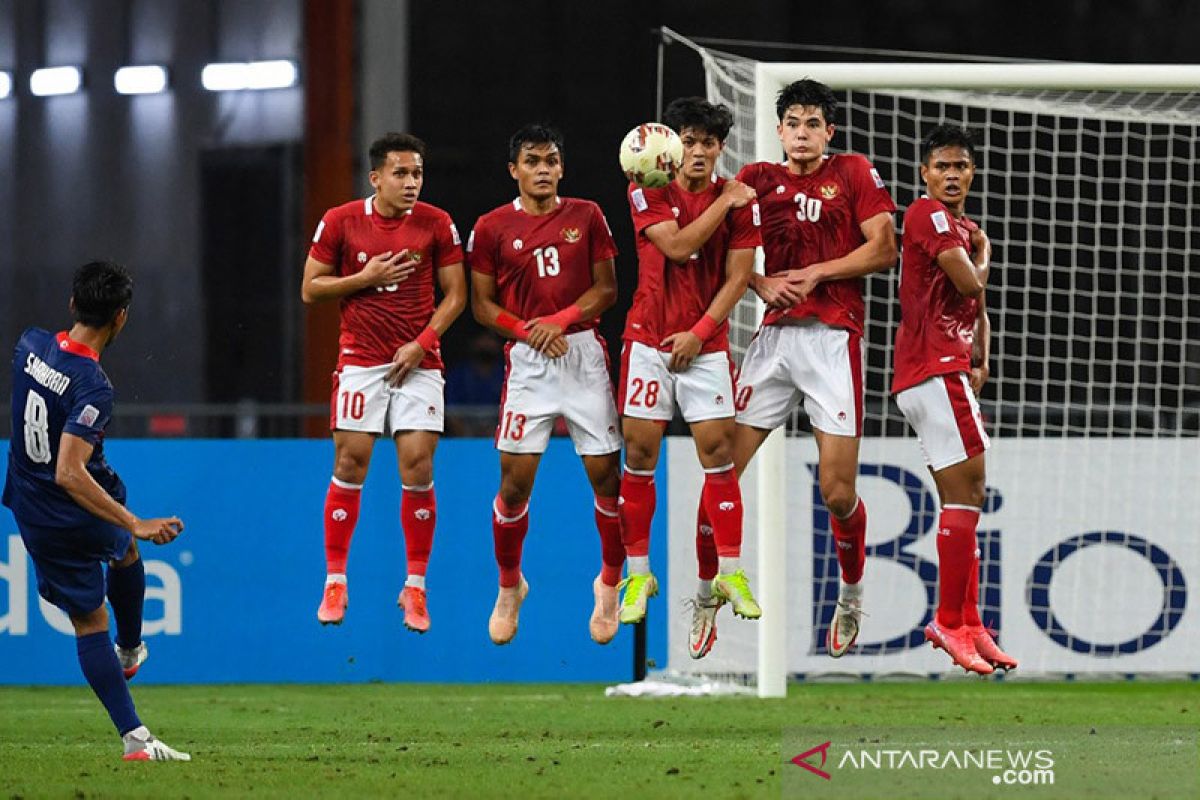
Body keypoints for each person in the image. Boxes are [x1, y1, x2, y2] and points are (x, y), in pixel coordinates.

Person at [690, 79, 898, 659]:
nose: (802, 133)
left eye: (813, 124)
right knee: (720, 468)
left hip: (834, 341)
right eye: (793, 124)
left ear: (828, 132)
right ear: (779, 131)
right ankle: (706, 594)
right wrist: (756, 280)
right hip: (774, 341)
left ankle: (851, 594)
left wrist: (818, 273)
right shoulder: (755, 180)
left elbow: (884, 248)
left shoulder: (854, 171)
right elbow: (701, 245)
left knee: (836, 493)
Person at [2, 261, 190, 761]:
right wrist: (136, 520)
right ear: (121, 318)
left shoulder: (28, 345)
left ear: (72, 303)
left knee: (122, 551)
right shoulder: (93, 385)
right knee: (91, 618)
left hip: (27, 497)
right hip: (61, 506)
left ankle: (130, 651)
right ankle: (135, 739)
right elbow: (68, 471)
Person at [302, 132, 467, 632]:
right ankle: (335, 580)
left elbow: (456, 295)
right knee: (350, 461)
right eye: (401, 173)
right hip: (361, 360)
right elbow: (311, 288)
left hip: (418, 361)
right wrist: (364, 278)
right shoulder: (341, 221)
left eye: (417, 173)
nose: (411, 182)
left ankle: (415, 587)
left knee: (417, 465)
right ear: (376, 177)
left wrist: (422, 342)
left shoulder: (437, 223)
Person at [468, 123, 625, 645]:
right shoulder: (491, 227)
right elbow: (482, 305)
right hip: (529, 360)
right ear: (514, 169)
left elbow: (607, 290)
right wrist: (530, 331)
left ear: (562, 166)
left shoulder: (588, 215)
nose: (543, 170)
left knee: (607, 480)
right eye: (532, 161)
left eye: (551, 161)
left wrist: (559, 321)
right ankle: (510, 586)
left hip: (581, 353)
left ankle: (608, 581)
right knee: (513, 487)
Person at [617, 98, 762, 630]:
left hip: (706, 346)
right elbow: (677, 248)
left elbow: (739, 276)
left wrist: (700, 334)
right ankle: (637, 573)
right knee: (639, 449)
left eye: (709, 142)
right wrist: (724, 203)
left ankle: (729, 570)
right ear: (674, 145)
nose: (699, 151)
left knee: (718, 451)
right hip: (648, 341)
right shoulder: (646, 187)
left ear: (721, 147)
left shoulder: (744, 203)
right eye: (690, 141)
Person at [893, 124, 1017, 674]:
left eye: (960, 166)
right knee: (971, 491)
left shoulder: (958, 225)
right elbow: (971, 286)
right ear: (925, 173)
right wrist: (985, 253)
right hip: (933, 369)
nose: (950, 174)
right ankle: (948, 618)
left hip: (943, 371)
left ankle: (970, 624)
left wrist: (983, 356)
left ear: (972, 172)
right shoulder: (928, 215)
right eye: (941, 165)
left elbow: (975, 310)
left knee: (962, 499)